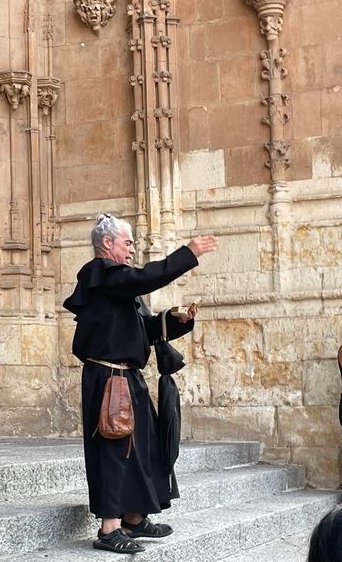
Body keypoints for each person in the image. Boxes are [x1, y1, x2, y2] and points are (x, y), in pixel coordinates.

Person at [62, 213, 218, 554]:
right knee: (114, 449)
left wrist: (175, 321)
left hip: (128, 376)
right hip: (108, 378)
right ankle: (109, 528)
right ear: (108, 244)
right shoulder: (102, 276)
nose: (133, 249)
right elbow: (148, 277)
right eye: (128, 242)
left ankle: (134, 517)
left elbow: (144, 330)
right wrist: (187, 253)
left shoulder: (118, 285)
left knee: (143, 448)